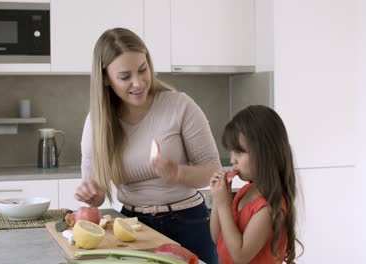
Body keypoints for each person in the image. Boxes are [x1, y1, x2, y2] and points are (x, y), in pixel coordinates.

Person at [74, 27, 221, 264]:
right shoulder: (97, 123)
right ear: (105, 79)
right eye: (125, 76)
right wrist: (93, 195)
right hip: (132, 229)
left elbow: (214, 172)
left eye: (143, 69)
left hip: (188, 224)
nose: (138, 82)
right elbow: (96, 193)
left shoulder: (179, 105)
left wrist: (178, 173)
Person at [209, 105, 304, 264]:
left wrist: (225, 205)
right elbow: (216, 236)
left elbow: (240, 256)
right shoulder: (245, 191)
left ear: (264, 154)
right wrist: (218, 200)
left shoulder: (268, 207)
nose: (232, 160)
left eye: (238, 152)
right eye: (231, 152)